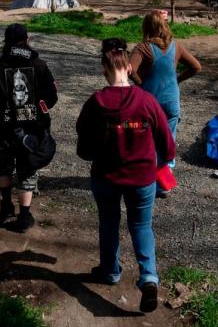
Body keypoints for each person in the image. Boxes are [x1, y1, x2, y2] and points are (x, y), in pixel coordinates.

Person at [77, 38, 176, 313]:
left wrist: (90, 153)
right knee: (142, 226)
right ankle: (149, 278)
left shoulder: (95, 102)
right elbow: (167, 144)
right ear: (129, 70)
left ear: (103, 69)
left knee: (109, 223)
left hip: (106, 177)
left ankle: (110, 271)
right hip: (142, 177)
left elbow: (83, 143)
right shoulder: (147, 101)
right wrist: (163, 160)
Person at [0, 23, 58, 232]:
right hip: (32, 129)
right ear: (27, 40)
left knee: (3, 165)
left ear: (5, 42)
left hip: (3, 127)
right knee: (27, 167)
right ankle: (25, 215)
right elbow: (51, 96)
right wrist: (40, 110)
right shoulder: (39, 65)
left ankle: (5, 206)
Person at [129, 10, 201, 196]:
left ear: (146, 27)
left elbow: (130, 70)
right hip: (171, 102)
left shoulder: (142, 48)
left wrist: (141, 83)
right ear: (164, 26)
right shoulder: (176, 47)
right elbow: (196, 66)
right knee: (167, 141)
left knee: (148, 142)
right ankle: (163, 184)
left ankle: (146, 183)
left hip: (150, 103)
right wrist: (177, 79)